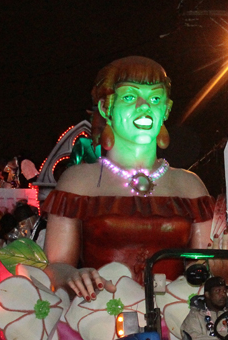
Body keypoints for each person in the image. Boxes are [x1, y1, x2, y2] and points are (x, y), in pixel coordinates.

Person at [42, 56, 217, 299]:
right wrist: (71, 275)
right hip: (98, 321)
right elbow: (56, 266)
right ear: (106, 108)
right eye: (129, 97)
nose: (144, 106)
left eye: (155, 99)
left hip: (175, 322)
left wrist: (222, 268)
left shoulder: (190, 186)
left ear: (166, 110)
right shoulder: (78, 182)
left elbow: (201, 267)